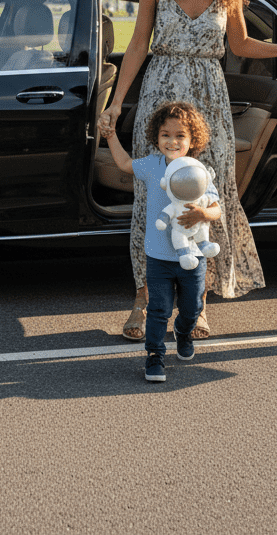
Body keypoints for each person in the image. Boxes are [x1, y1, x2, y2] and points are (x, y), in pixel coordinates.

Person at [98, 0, 277, 341]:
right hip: (159, 97)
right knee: (152, 199)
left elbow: (240, 45)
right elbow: (138, 44)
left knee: (204, 197)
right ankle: (143, 298)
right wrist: (117, 102)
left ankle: (195, 305)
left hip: (209, 104)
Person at [103, 101, 221, 382]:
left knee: (192, 308)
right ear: (156, 137)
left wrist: (203, 214)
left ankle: (182, 331)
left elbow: (217, 208)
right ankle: (155, 356)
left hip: (193, 257)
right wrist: (110, 135)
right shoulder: (152, 166)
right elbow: (123, 163)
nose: (172, 141)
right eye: (165, 135)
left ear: (192, 140)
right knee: (158, 310)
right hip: (158, 257)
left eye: (180, 135)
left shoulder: (198, 170)